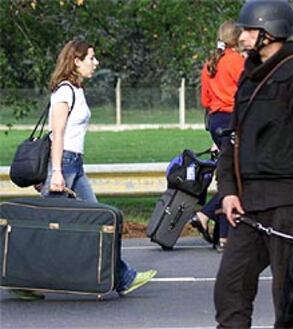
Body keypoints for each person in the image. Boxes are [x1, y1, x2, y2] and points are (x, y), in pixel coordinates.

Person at [213, 1, 293, 328]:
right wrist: (227, 190)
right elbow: (233, 138)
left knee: (290, 297)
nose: (243, 36)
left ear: (271, 32)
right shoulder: (248, 76)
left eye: (250, 30)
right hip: (248, 204)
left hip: (289, 203)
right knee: (230, 287)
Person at [9, 39, 156, 300]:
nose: (95, 62)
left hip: (74, 165)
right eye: (91, 57)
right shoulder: (64, 92)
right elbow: (58, 133)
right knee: (49, 228)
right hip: (63, 165)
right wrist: (54, 172)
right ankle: (22, 279)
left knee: (97, 221)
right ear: (76, 61)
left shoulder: (77, 90)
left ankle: (123, 278)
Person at [190, 20, 245, 252]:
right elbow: (246, 91)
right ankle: (206, 214)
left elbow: (204, 100)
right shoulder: (238, 61)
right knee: (237, 177)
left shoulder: (210, 63)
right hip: (233, 120)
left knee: (227, 175)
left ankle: (225, 237)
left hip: (215, 121)